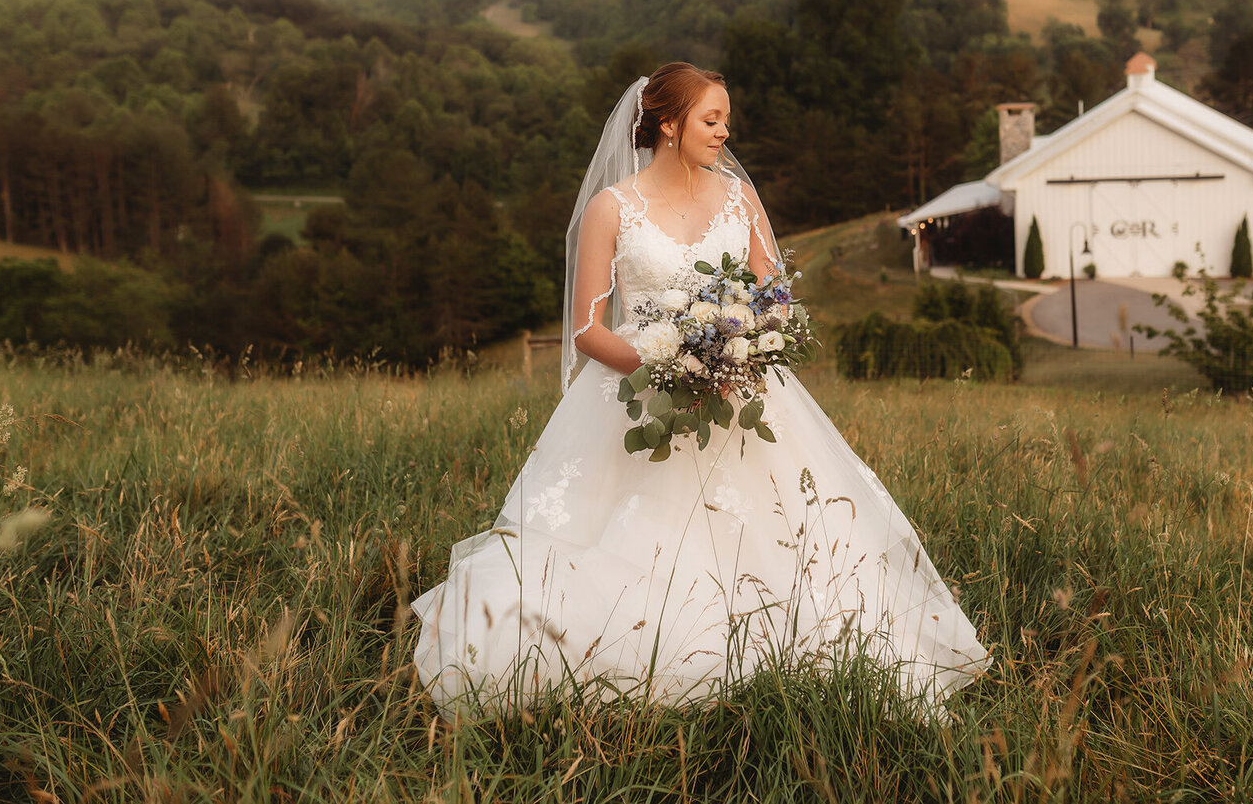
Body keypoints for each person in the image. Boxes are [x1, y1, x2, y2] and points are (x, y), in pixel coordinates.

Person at [409, 63, 991, 715]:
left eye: (726, 121)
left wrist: (737, 346)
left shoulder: (739, 198)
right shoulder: (614, 208)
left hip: (739, 391)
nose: (724, 132)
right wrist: (665, 366)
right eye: (711, 119)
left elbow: (775, 296)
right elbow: (586, 329)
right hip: (635, 398)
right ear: (667, 122)